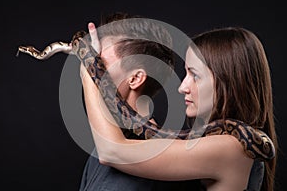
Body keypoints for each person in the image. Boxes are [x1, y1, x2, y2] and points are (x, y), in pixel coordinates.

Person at [80, 26, 278, 191]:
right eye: (185, 74)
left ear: (227, 81)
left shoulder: (234, 148)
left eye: (195, 75)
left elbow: (112, 151)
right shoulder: (201, 142)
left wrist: (89, 67)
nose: (182, 87)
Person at [79, 12, 203, 191]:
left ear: (135, 78)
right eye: (93, 60)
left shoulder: (145, 159)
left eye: (100, 62)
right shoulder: (103, 146)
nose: (92, 66)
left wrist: (87, 67)